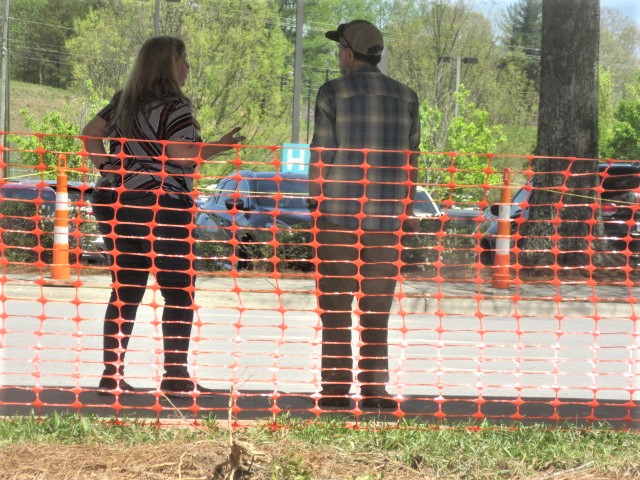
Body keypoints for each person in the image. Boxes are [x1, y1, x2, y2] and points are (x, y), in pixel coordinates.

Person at [82, 36, 244, 397]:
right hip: (161, 204)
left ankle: (111, 375)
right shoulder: (175, 107)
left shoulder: (123, 101)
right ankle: (175, 376)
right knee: (178, 289)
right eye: (184, 60)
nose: (188, 67)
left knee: (125, 289)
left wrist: (107, 166)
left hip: (114, 199)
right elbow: (181, 154)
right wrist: (220, 146)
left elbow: (90, 133)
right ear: (169, 65)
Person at [309, 20, 421, 410]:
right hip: (387, 222)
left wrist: (313, 202)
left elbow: (321, 155)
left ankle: (336, 390)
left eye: (340, 50)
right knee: (376, 309)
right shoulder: (407, 97)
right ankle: (374, 389)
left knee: (336, 307)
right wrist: (407, 210)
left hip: (338, 216)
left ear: (348, 53)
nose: (339, 56)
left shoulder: (332, 92)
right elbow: (412, 161)